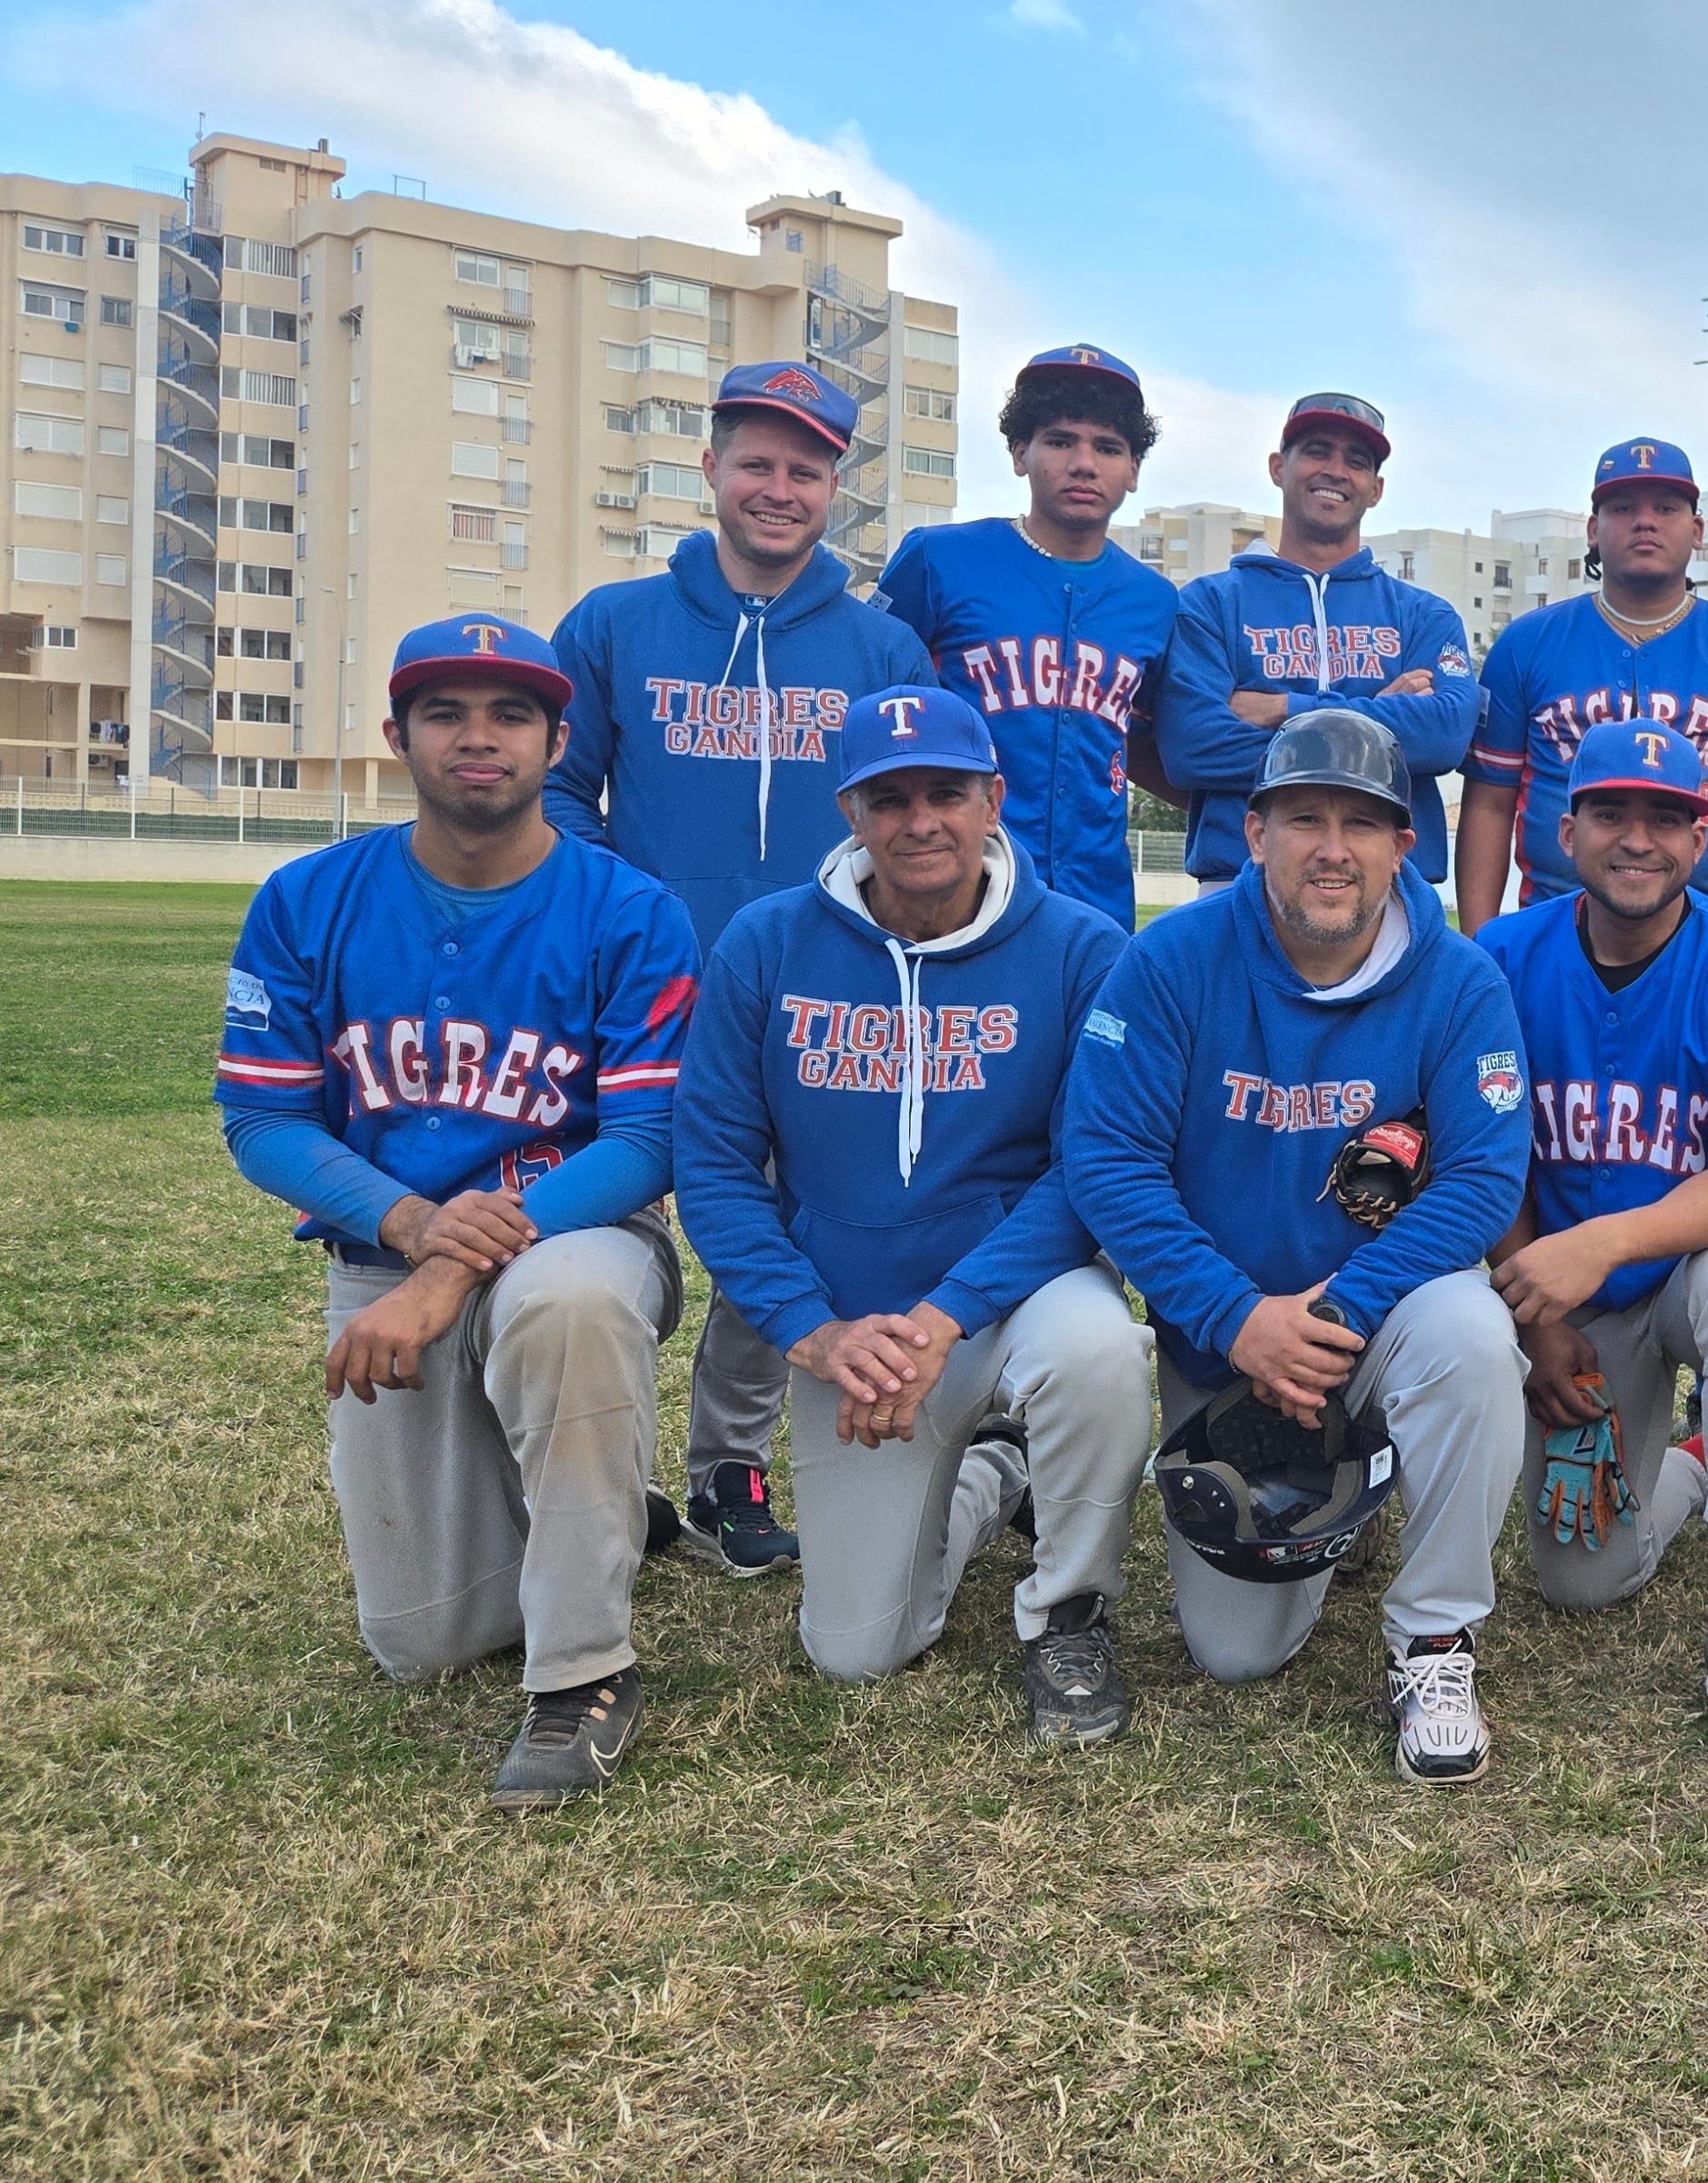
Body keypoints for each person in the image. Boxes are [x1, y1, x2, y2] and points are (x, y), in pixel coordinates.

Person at [215, 616, 697, 1807]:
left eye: (510, 714)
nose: (478, 738)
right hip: (391, 1248)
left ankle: (586, 1672)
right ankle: (598, 1498)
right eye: (447, 712)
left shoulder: (630, 910)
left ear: (556, 740)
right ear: (397, 734)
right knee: (422, 1642)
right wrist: (413, 1230)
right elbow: (264, 1121)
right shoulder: (307, 899)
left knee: (568, 1306)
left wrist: (453, 1263)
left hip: (575, 1235)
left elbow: (644, 1137)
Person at [1061, 708, 1534, 1783]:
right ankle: (1351, 1488)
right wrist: (1237, 1318)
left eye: (1362, 823)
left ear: (1403, 844)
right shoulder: (1173, 959)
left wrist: (1330, 1317)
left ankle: (1435, 1640)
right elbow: (1107, 1160)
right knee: (1238, 1655)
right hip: (1221, 1340)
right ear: (1255, 830)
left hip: (1368, 1318)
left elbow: (1480, 1179)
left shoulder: (1459, 981)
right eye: (1305, 817)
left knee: (1468, 1328)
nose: (1334, 847)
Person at [674, 687, 1149, 1741]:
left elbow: (1091, 1170)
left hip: (1013, 1295)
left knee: (1101, 1351)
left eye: (946, 792)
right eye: (889, 798)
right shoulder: (765, 943)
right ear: (850, 809)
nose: (919, 820)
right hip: (853, 1325)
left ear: (993, 798)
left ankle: (1068, 1610)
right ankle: (994, 1470)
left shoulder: (1080, 947)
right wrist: (814, 1328)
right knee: (856, 1650)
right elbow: (711, 1162)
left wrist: (946, 1317)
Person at [549, 357, 929, 1577]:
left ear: (835, 490)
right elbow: (564, 794)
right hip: (642, 999)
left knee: (779, 1235)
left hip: (808, 997)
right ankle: (597, 1479)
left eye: (805, 469)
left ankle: (727, 1467)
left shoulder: (881, 647)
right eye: (756, 461)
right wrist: (629, 928)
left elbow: (912, 826)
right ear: (710, 468)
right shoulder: (614, 625)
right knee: (606, 1241)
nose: (779, 487)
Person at [1479, 724, 1708, 1769]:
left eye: (1666, 817)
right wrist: (1541, 1316)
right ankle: (1700, 1461)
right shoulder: (1497, 957)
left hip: (1679, 1274)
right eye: (1614, 814)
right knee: (1581, 1580)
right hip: (1561, 1300)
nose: (1639, 840)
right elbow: (1480, 1158)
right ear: (1564, 826)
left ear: (1704, 835)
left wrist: (1598, 1246)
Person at [1458, 438, 1708, 925]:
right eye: (1624, 508)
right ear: (1594, 530)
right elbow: (1491, 804)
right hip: (1554, 926)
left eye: (1666, 507)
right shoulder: (1526, 643)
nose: (1645, 521)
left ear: (1697, 529)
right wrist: (1478, 943)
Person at [874, 343, 1178, 930]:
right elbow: (869, 702)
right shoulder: (939, 560)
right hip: (954, 894)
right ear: (1020, 452)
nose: (1084, 463)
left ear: (1133, 470)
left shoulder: (1156, 602)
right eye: (1061, 441)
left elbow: (1157, 743)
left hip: (1099, 901)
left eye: (1109, 447)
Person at [1154, 391, 1479, 902]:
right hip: (1238, 881)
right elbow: (1191, 746)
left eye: (1357, 461)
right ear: (1279, 467)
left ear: (1376, 488)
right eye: (1317, 451)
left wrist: (1286, 707)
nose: (1336, 470)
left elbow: (1444, 735)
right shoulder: (1210, 604)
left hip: (1393, 883)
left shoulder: (1424, 614)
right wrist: (1378, 723)